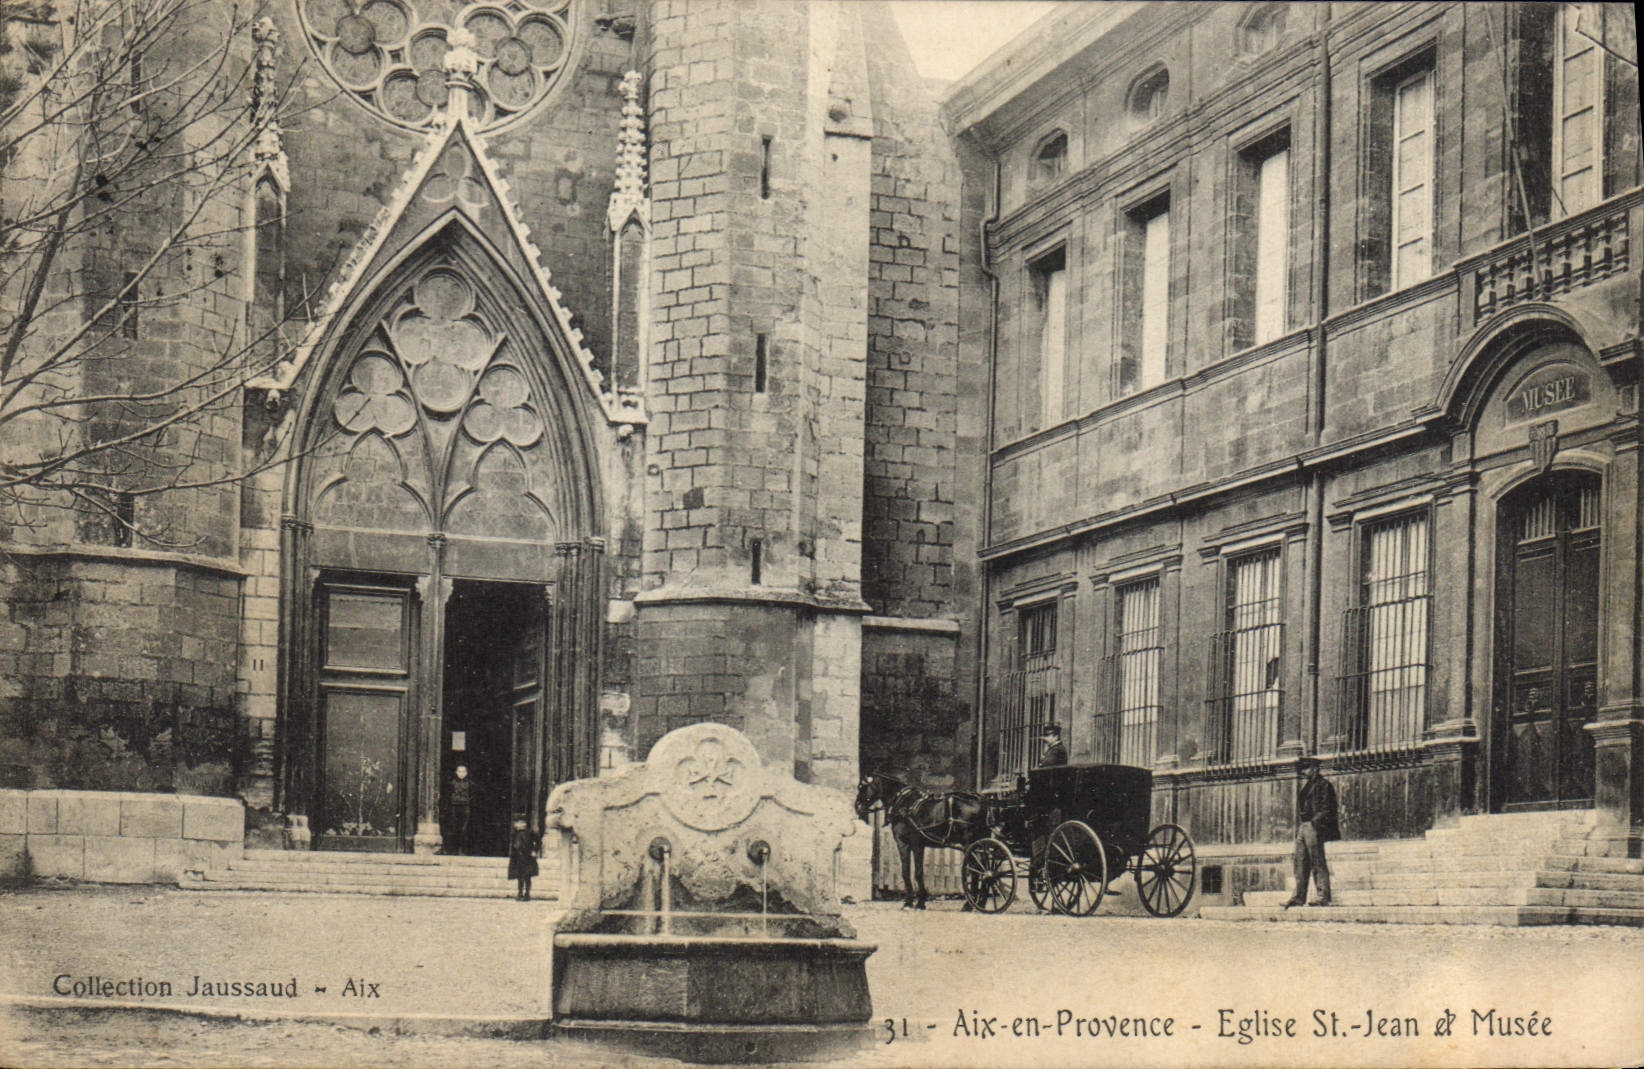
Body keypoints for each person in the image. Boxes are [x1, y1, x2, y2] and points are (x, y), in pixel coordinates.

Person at [1285, 756, 1339, 907]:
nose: (1304, 771)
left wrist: (1315, 823)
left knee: (1317, 861)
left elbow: (1327, 808)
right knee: (1300, 862)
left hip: (1314, 826)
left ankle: (1323, 896)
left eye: (1307, 768)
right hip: (1304, 826)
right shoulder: (1308, 786)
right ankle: (1298, 897)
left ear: (1315, 769)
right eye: (1303, 768)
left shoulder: (1324, 785)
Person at [508, 814, 539, 901]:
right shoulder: (514, 833)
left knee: (527, 876)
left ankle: (527, 894)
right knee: (519, 876)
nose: (520, 825)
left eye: (522, 822)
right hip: (518, 858)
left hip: (528, 857)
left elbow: (538, 841)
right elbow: (514, 845)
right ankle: (520, 893)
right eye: (518, 823)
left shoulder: (530, 832)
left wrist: (534, 851)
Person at [445, 764, 471, 856]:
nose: (461, 773)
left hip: (465, 806)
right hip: (454, 806)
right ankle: (453, 850)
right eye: (459, 771)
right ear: (456, 772)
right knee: (454, 827)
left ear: (466, 773)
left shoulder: (470, 784)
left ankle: (463, 850)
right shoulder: (452, 783)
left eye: (463, 771)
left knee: (464, 828)